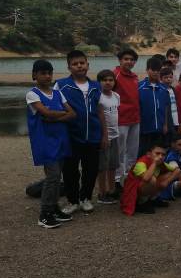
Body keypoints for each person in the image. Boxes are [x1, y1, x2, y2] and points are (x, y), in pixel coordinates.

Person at [54, 50, 105, 214]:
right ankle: (72, 200)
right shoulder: (61, 85)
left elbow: (100, 111)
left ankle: (86, 198)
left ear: (88, 65)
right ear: (69, 67)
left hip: (93, 136)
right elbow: (55, 108)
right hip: (71, 137)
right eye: (75, 64)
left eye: (82, 63)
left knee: (91, 170)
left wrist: (105, 135)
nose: (79, 66)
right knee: (70, 171)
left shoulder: (96, 86)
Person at [27, 59, 76, 228]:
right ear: (34, 75)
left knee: (57, 177)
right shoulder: (32, 94)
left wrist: (53, 117)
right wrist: (60, 115)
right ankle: (45, 213)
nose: (47, 76)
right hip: (45, 142)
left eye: (49, 73)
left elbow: (72, 113)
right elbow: (44, 111)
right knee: (53, 176)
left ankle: (54, 207)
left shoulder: (57, 93)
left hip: (61, 140)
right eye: (43, 73)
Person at [120, 142, 180, 215]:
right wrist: (154, 163)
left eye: (163, 154)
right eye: (157, 153)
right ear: (149, 154)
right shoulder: (141, 163)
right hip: (134, 191)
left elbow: (177, 171)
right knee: (152, 179)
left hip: (145, 187)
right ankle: (141, 202)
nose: (160, 156)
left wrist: (166, 182)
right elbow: (146, 178)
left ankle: (153, 199)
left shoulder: (161, 163)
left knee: (169, 174)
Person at [113, 49, 140, 193]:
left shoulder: (135, 77)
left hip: (135, 118)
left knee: (133, 150)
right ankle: (117, 179)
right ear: (120, 60)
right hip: (121, 118)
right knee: (120, 151)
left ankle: (131, 176)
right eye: (126, 59)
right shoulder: (114, 75)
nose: (129, 62)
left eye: (131, 59)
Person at [96, 70, 121, 204]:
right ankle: (102, 192)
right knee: (102, 166)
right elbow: (100, 117)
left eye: (111, 80)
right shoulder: (99, 97)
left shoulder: (116, 96)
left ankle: (112, 190)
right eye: (104, 80)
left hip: (115, 134)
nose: (108, 82)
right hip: (104, 137)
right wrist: (104, 136)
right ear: (99, 82)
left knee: (113, 165)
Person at [138, 57, 171, 157]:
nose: (155, 73)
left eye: (158, 70)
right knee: (144, 152)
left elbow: (166, 107)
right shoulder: (139, 87)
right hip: (144, 128)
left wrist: (165, 124)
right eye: (153, 70)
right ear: (147, 70)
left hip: (160, 127)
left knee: (158, 152)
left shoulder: (164, 88)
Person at [160, 67, 181, 140]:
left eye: (170, 77)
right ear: (161, 79)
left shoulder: (173, 90)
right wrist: (165, 124)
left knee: (174, 141)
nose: (168, 79)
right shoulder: (161, 90)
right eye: (165, 77)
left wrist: (179, 122)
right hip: (167, 122)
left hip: (175, 120)